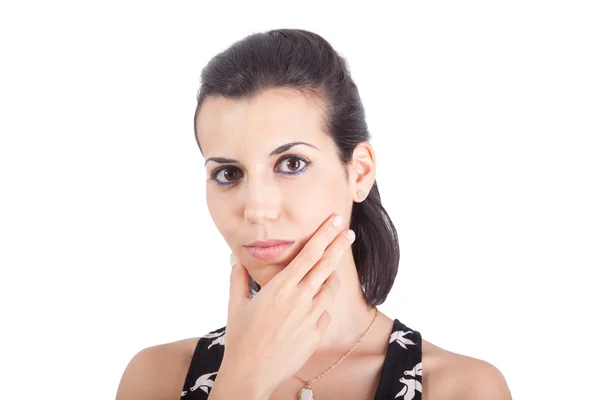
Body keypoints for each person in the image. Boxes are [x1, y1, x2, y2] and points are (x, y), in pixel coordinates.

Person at [116, 29, 512, 400]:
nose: (257, 209)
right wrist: (242, 379)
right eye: (228, 173)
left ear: (359, 172)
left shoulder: (459, 386)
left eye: (291, 164)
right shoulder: (160, 377)